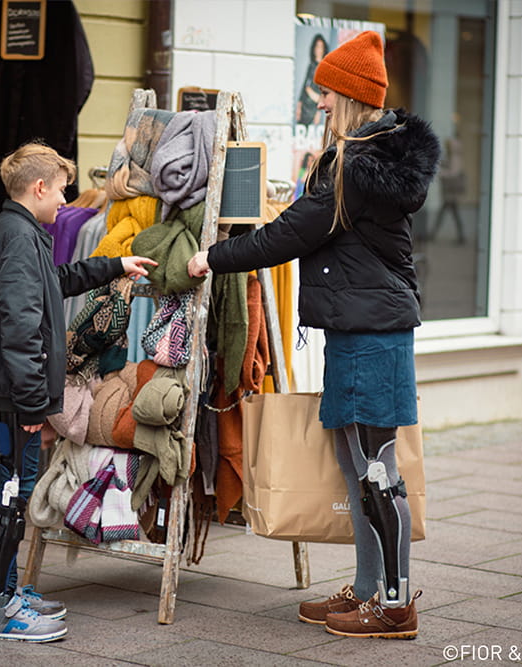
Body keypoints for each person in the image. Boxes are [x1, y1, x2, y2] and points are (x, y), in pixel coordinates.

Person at [188, 31, 440, 639]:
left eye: (326, 91)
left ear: (351, 97)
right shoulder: (354, 161)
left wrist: (212, 258)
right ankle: (368, 588)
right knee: (356, 468)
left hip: (373, 333)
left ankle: (396, 602)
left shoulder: (355, 167)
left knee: (379, 470)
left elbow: (290, 234)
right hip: (358, 329)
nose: (318, 101)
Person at [0, 141, 156, 642]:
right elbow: (21, 326)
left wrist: (115, 266)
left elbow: (54, 282)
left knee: (12, 490)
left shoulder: (20, 231)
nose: (66, 202)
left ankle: (5, 591)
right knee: (9, 494)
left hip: (13, 394)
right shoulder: (19, 234)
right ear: (39, 187)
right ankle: (0, 607)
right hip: (14, 398)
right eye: (62, 191)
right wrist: (32, 403)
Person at [297, 34, 329, 125]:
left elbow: (323, 93)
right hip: (304, 106)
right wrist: (299, 106)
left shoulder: (325, 68)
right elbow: (304, 85)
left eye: (321, 47)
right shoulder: (311, 65)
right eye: (317, 46)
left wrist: (318, 112)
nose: (318, 49)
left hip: (314, 108)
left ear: (324, 49)